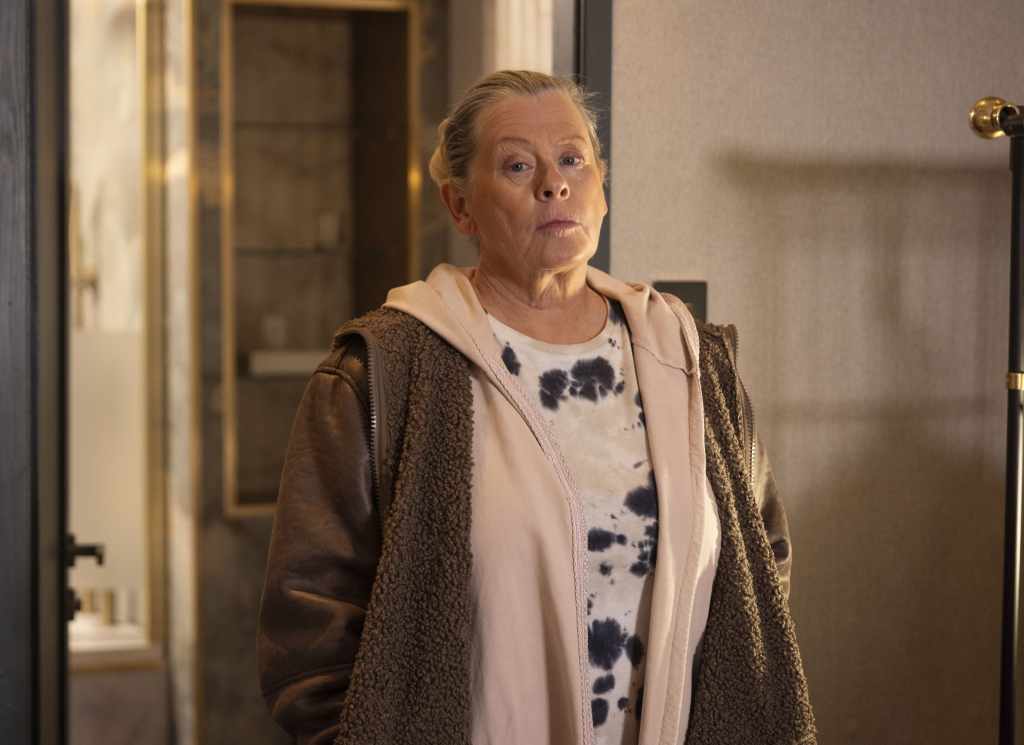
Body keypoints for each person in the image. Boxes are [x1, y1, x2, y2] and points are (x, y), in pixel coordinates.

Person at [257, 70, 817, 745]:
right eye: (518, 165)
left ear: (601, 186)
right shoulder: (384, 371)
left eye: (572, 159)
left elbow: (759, 572)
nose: (554, 184)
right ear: (460, 206)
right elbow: (309, 630)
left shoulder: (691, 360)